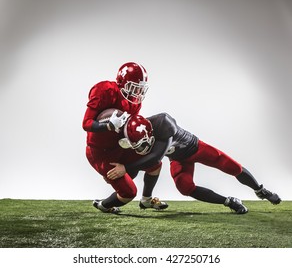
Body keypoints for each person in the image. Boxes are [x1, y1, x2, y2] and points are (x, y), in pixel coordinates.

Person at [108, 113, 281, 214]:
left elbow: (154, 158)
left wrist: (126, 168)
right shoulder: (132, 133)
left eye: (143, 144)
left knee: (232, 167)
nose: (141, 148)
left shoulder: (163, 123)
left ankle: (260, 190)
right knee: (185, 187)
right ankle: (229, 201)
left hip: (195, 147)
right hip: (178, 158)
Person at [82, 62, 167, 214]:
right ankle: (103, 205)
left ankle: (147, 200)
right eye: (134, 87)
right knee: (128, 193)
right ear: (122, 82)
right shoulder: (104, 90)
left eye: (140, 89)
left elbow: (128, 128)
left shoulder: (134, 102)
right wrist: (107, 126)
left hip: (119, 146)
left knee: (155, 163)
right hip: (99, 152)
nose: (137, 93)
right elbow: (86, 123)